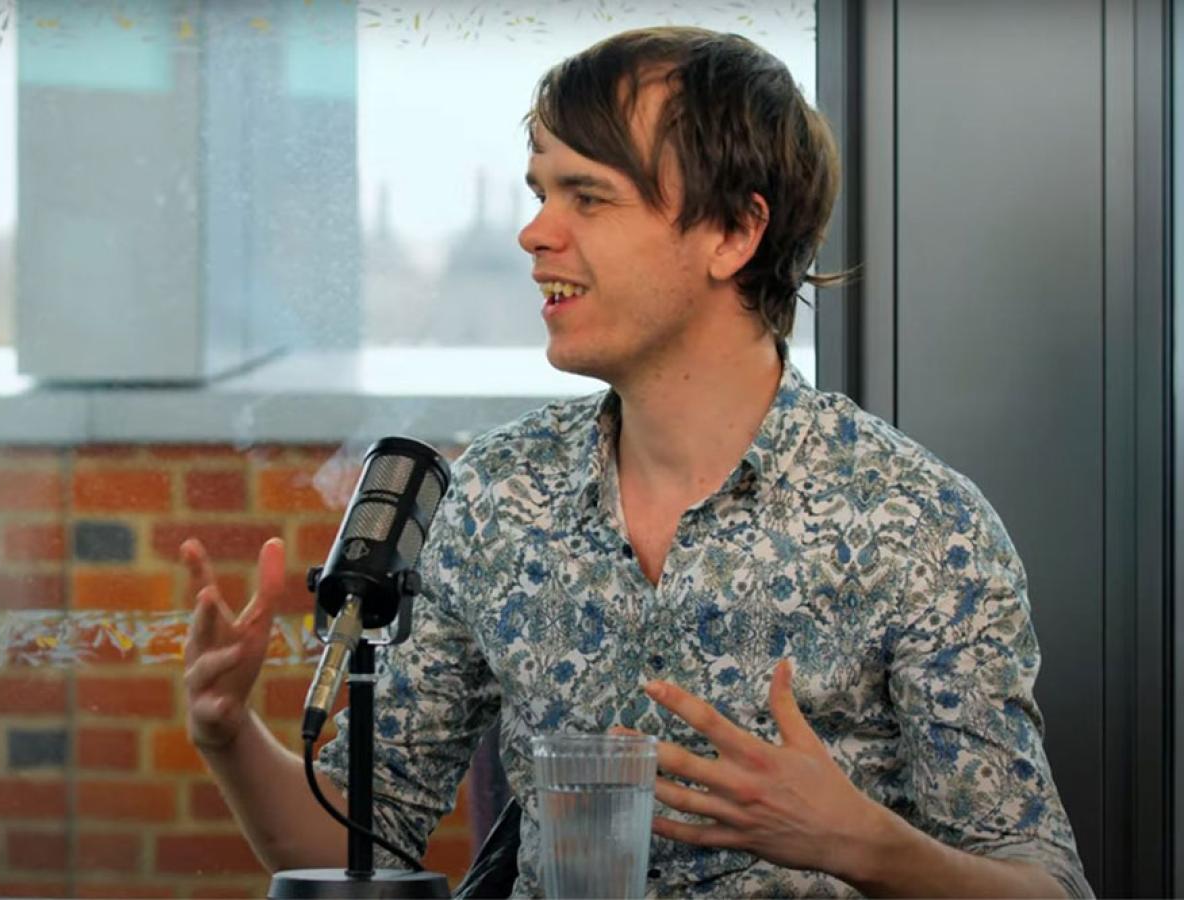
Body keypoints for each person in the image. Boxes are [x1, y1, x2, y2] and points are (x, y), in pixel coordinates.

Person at [182, 26, 1092, 898]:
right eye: (539, 192)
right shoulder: (502, 497)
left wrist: (859, 842)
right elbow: (359, 845)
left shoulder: (920, 524)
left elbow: (1043, 886)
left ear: (733, 234)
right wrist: (228, 735)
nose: (535, 233)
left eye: (589, 196)